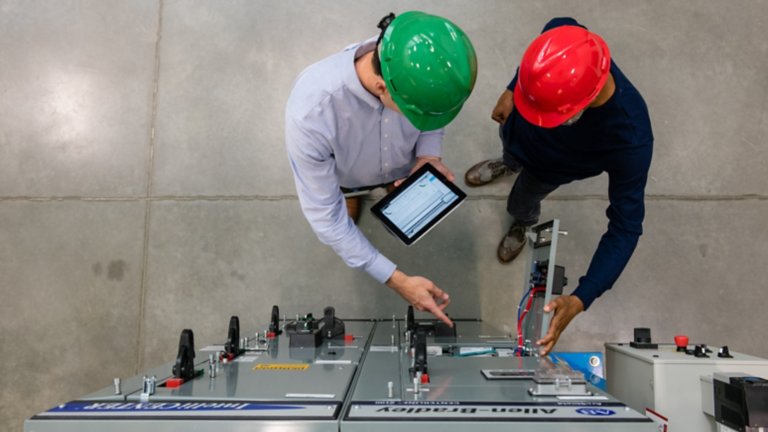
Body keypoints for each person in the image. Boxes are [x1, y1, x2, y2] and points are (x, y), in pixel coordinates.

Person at [464, 17, 653, 354]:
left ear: (579, 107)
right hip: (516, 134)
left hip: (547, 169)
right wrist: (513, 90)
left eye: (545, 111)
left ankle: (522, 223)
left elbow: (625, 228)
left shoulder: (629, 139)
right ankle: (508, 162)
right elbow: (556, 23)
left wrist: (582, 297)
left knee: (521, 201)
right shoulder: (571, 46)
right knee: (512, 154)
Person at [285, 12, 477, 326]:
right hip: (348, 174)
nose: (425, 121)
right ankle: (352, 193)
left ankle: (392, 186)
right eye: (416, 114)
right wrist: (396, 279)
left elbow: (433, 113)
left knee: (398, 189)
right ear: (381, 87)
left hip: (404, 166)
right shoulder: (311, 115)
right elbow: (326, 219)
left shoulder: (421, 65)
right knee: (342, 207)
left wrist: (427, 156)